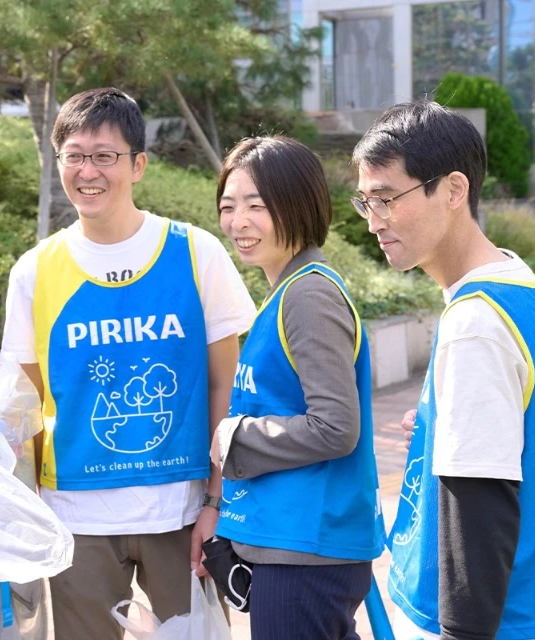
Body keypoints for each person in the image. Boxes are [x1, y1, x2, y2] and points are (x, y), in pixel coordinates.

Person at [1, 87, 255, 639]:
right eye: (74, 155)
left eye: (105, 155)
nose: (87, 171)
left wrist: (217, 501)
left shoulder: (195, 252)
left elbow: (227, 390)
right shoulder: (35, 271)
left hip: (181, 511)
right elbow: (23, 405)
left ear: (138, 164)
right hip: (76, 519)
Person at [354, 100, 535, 640]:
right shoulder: (519, 290)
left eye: (387, 199)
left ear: (454, 190)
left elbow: (479, 503)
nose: (373, 222)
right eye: (365, 202)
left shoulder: (476, 321)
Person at [209, 136, 384, 639]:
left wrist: (234, 437)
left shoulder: (307, 294)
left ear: (297, 204)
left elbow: (335, 427)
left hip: (305, 550)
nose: (238, 222)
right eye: (228, 206)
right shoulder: (289, 289)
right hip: (295, 544)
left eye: (256, 206)